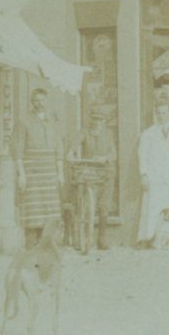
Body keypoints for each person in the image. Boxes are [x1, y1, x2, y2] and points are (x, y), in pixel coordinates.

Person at [13, 88, 65, 249]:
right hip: (32, 172)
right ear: (31, 102)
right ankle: (30, 250)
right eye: (36, 100)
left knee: (50, 213)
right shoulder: (23, 121)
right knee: (33, 213)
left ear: (47, 101)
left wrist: (60, 173)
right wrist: (21, 174)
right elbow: (17, 149)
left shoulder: (53, 121)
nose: (39, 103)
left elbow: (59, 149)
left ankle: (46, 250)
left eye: (42, 100)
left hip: (49, 173)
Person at [137, 100, 169, 247]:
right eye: (158, 113)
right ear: (155, 114)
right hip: (154, 177)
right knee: (152, 207)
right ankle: (147, 238)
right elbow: (142, 155)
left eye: (164, 113)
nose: (161, 116)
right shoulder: (147, 134)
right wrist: (144, 174)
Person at [66, 106, 117, 250]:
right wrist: (71, 152)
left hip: (106, 172)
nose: (97, 122)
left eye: (100, 119)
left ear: (104, 120)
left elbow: (113, 154)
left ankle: (102, 237)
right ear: (91, 119)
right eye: (95, 118)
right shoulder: (85, 132)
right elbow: (76, 143)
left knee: (104, 206)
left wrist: (105, 157)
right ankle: (85, 235)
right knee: (88, 203)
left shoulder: (108, 134)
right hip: (91, 172)